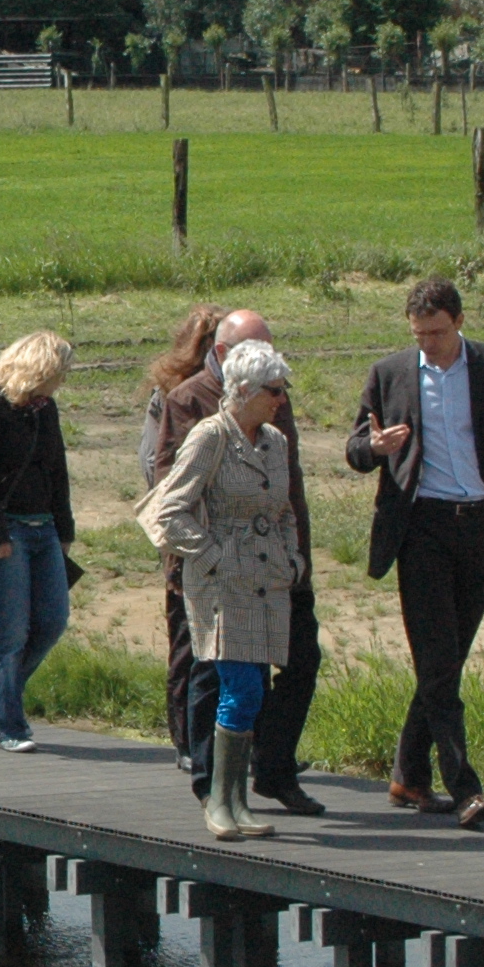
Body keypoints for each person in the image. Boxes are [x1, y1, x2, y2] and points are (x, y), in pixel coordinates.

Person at [345, 276, 484, 828]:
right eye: (419, 334)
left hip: (480, 527)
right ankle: (464, 786)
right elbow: (355, 448)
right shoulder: (391, 373)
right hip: (419, 528)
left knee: (444, 663)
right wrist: (373, 449)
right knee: (439, 661)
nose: (428, 343)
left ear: (460, 323)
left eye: (438, 333)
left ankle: (407, 774)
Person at [155, 310, 325, 815]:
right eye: (274, 389)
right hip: (220, 579)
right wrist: (211, 557)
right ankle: (215, 790)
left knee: (299, 662)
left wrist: (295, 561)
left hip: (275, 572)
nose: (283, 399)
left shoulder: (274, 431)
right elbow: (168, 495)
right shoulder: (195, 411)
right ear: (241, 378)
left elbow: (288, 492)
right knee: (223, 680)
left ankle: (271, 772)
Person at [0, 330, 79, 753]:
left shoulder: (44, 409)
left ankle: (2, 688)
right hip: (8, 531)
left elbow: (58, 470)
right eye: (59, 372)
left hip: (44, 527)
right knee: (12, 630)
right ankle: (10, 727)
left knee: (52, 620)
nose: (62, 381)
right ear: (39, 369)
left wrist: (65, 530)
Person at [143, 302, 228, 769]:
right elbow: (152, 464)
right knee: (186, 639)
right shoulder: (175, 397)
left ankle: (219, 742)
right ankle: (185, 741)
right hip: (184, 537)